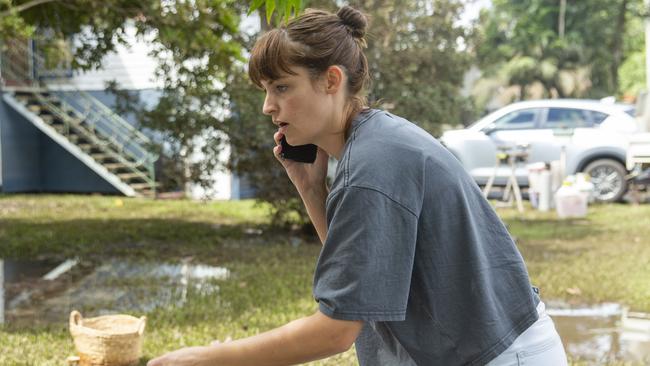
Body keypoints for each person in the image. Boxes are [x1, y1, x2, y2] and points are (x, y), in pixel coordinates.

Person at [148, 6, 568, 366]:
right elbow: (366, 284)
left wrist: (207, 358)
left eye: (281, 87)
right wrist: (313, 191)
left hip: (498, 356)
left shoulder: (372, 164)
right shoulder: (371, 144)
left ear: (331, 80)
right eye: (265, 90)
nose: (267, 106)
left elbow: (337, 330)